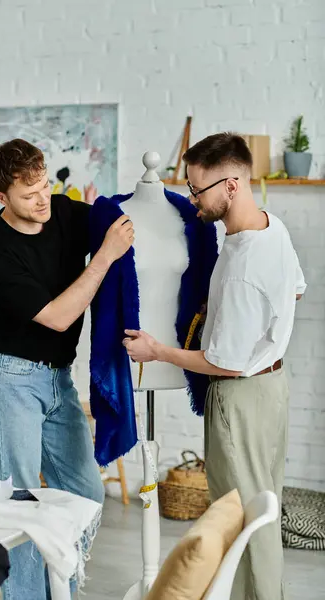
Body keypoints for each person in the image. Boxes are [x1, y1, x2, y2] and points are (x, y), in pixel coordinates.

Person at [123, 133, 306, 600]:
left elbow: (220, 364)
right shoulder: (271, 228)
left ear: (231, 185)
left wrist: (157, 351)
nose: (192, 200)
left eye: (198, 190)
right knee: (265, 507)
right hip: (273, 387)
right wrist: (231, 312)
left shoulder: (244, 267)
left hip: (241, 398)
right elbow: (296, 288)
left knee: (240, 515)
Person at [0, 138, 134, 600]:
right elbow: (59, 316)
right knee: (19, 506)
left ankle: (57, 581)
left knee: (87, 492)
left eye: (44, 186)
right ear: (2, 198)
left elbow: (117, 219)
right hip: (11, 379)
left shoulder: (62, 212)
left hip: (59, 377)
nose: (43, 199)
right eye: (29, 194)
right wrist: (104, 257)